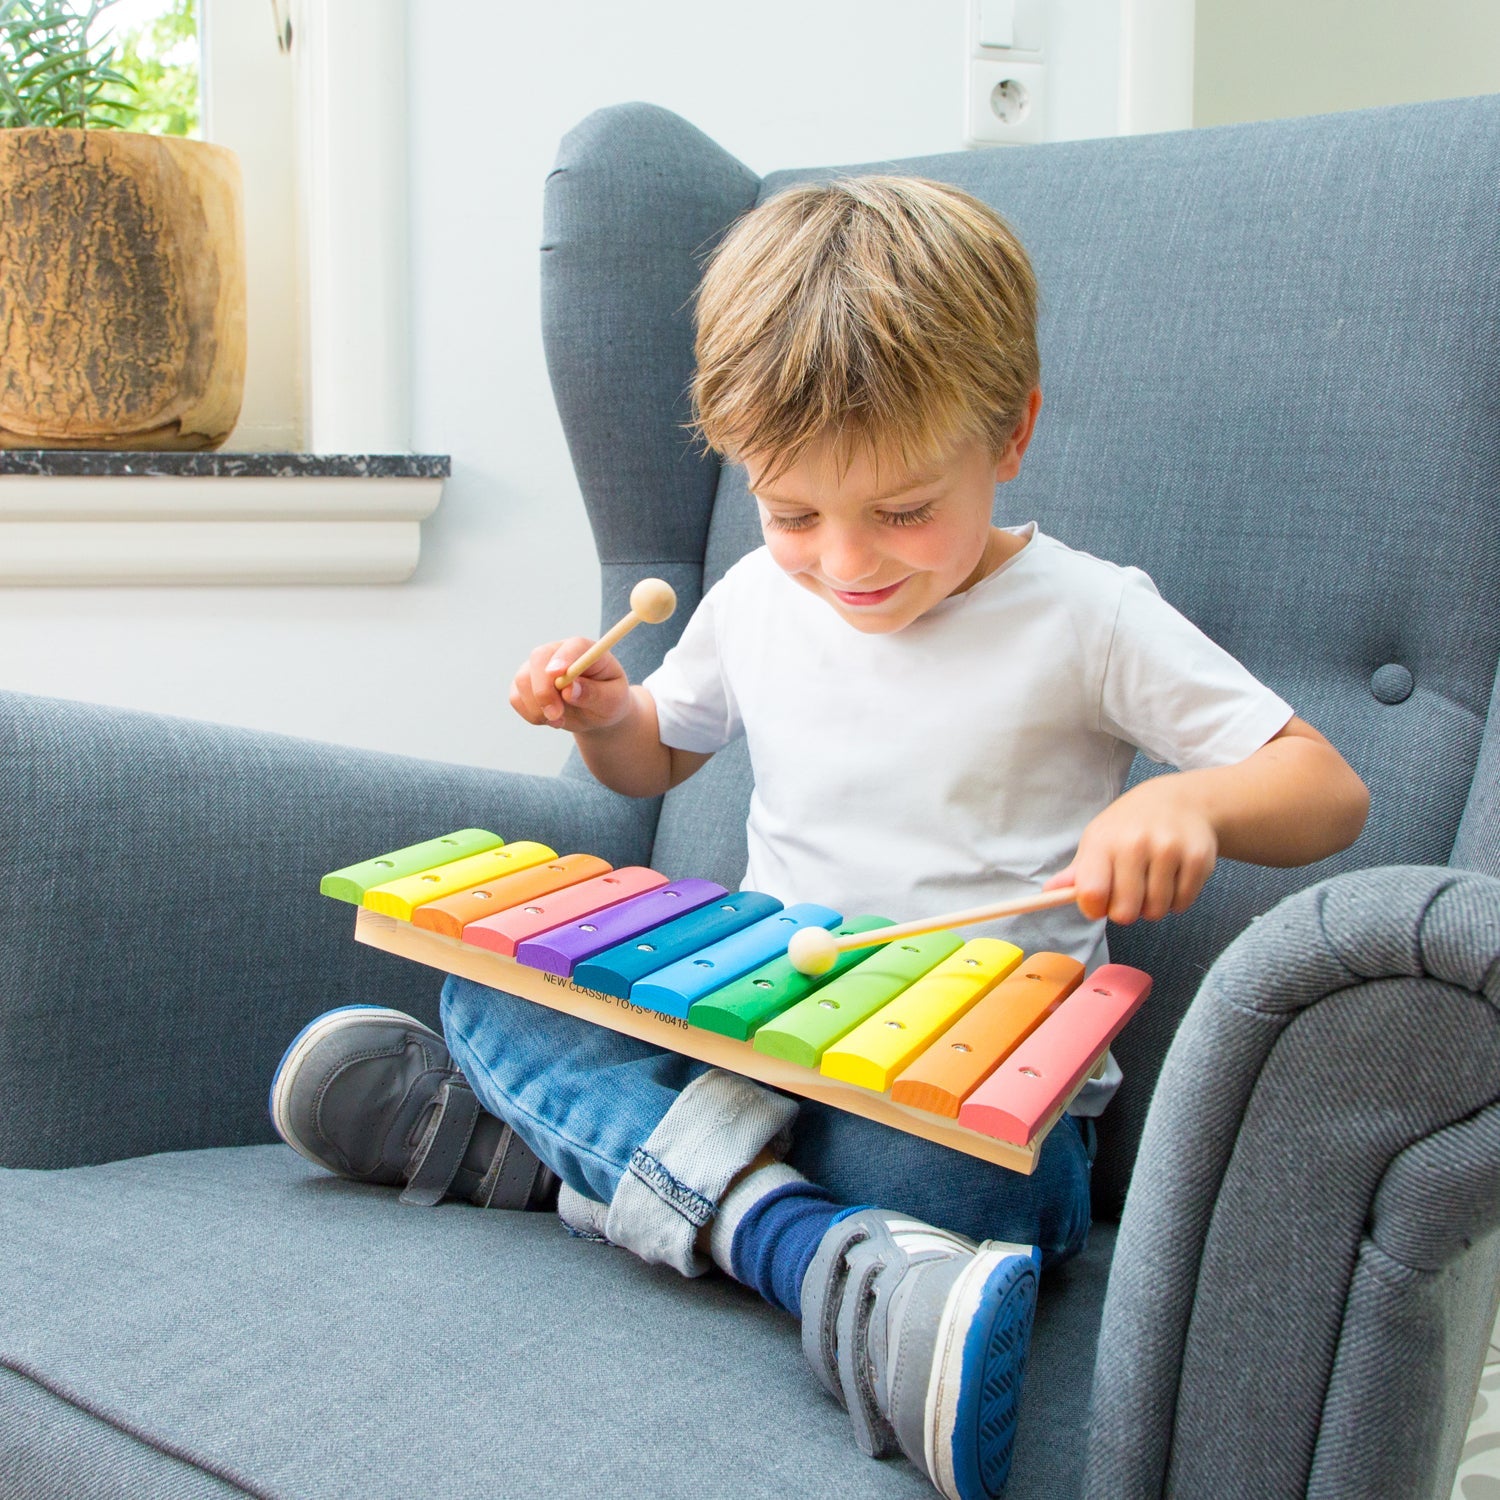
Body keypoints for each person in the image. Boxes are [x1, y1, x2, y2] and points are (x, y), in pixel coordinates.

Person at [269, 177, 1369, 1500]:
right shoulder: (751, 598)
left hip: (970, 1112)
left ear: (1010, 433)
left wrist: (1192, 801)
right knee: (486, 991)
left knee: (943, 1192)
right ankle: (792, 1249)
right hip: (759, 1039)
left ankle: (553, 1159)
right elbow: (656, 755)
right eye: (793, 513)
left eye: (903, 509)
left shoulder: (1089, 616)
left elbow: (1323, 786)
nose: (846, 560)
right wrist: (607, 713)